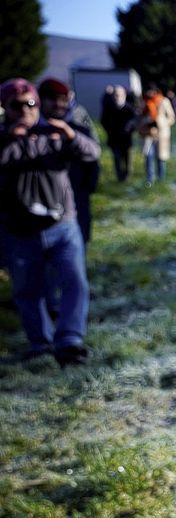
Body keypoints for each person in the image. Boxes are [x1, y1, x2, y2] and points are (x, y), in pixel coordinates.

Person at [1, 78, 100, 365]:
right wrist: (12, 138)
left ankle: (70, 340)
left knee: (74, 282)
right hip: (20, 231)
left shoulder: (56, 132)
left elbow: (92, 152)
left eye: (30, 103)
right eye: (16, 105)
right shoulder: (3, 139)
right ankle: (40, 344)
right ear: (5, 108)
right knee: (29, 291)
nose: (25, 110)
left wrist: (69, 135)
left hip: (63, 224)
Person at [38, 78, 100, 244]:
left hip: (77, 196)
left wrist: (89, 186)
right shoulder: (30, 132)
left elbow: (93, 155)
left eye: (63, 99)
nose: (58, 104)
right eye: (52, 99)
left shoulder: (78, 129)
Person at [140, 85, 175, 184]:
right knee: (148, 156)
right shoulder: (145, 102)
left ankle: (161, 179)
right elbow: (140, 117)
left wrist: (161, 122)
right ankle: (150, 179)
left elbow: (172, 118)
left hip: (161, 133)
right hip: (148, 133)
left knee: (160, 157)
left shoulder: (164, 101)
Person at [100, 85, 135, 182]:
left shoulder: (129, 109)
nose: (117, 97)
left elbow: (134, 122)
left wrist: (129, 129)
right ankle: (120, 179)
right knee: (117, 160)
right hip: (114, 140)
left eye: (119, 95)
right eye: (115, 95)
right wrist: (110, 130)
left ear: (124, 95)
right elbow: (103, 121)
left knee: (127, 161)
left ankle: (126, 178)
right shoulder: (109, 108)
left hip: (126, 140)